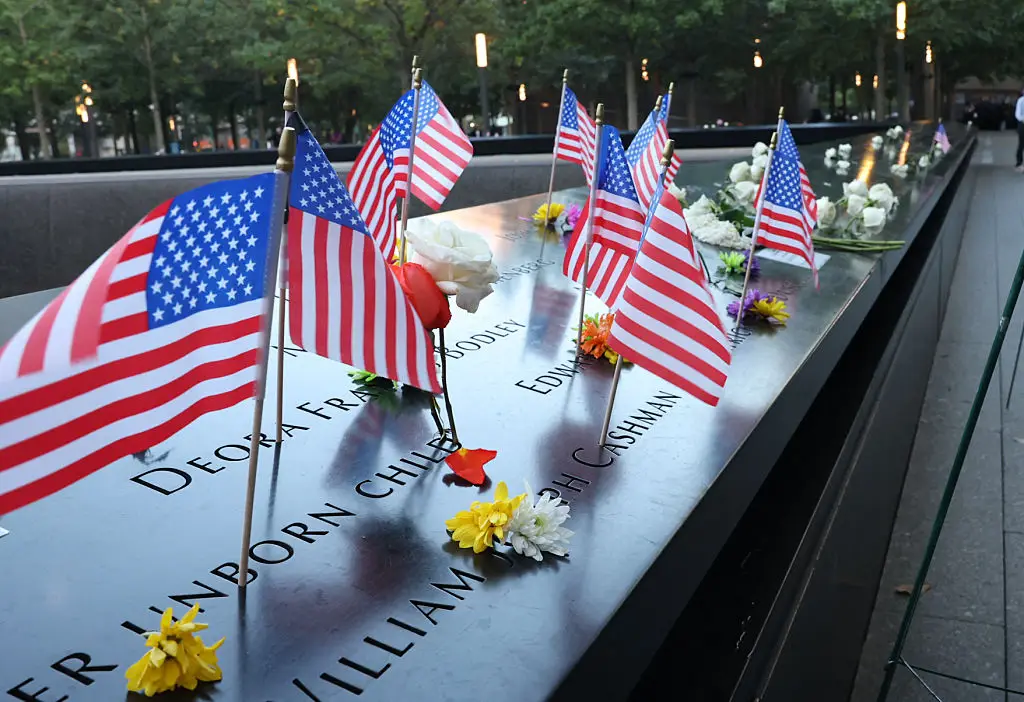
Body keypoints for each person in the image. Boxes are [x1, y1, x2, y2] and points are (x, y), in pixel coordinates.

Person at [1015, 88, 1024, 172]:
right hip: (1022, 124)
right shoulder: (1021, 100)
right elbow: (1018, 114)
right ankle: (1019, 162)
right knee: (1021, 144)